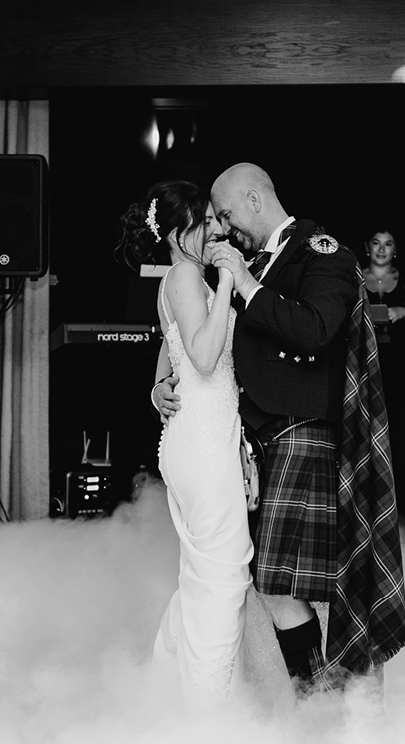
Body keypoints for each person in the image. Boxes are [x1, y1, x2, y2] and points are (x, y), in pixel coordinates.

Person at [154, 163, 405, 694]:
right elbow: (194, 338)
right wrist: (159, 383)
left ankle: (328, 699)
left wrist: (245, 284)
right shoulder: (250, 264)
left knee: (298, 586)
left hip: (302, 433)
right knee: (271, 586)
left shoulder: (322, 252)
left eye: (225, 215)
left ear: (254, 199)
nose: (223, 229)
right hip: (256, 440)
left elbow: (315, 330)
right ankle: (313, 698)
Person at [123, 181, 253, 709]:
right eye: (207, 221)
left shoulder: (178, 279)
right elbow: (201, 357)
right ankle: (206, 717)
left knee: (204, 579)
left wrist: (157, 388)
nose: (218, 229)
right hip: (202, 443)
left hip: (200, 437)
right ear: (180, 231)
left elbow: (170, 347)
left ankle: (172, 690)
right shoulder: (186, 274)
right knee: (221, 582)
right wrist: (227, 283)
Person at [363, 226, 405, 490]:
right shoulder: (355, 276)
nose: (381, 249)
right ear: (366, 246)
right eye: (376, 243)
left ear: (395, 250)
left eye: (388, 244)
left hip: (399, 367)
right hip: (365, 366)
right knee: (365, 431)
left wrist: (403, 311)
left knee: (398, 433)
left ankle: (396, 499)